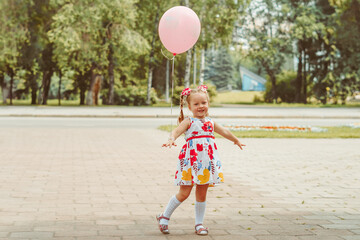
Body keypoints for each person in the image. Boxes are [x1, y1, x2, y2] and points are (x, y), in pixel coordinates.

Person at [157, 85, 246, 235]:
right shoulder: (189, 122)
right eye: (196, 104)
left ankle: (199, 224)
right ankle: (164, 217)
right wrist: (171, 139)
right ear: (190, 106)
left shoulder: (210, 122)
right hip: (191, 163)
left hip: (205, 164)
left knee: (201, 194)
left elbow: (224, 131)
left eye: (203, 103)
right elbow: (176, 131)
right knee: (184, 193)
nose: (200, 106)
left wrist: (235, 140)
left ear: (208, 104)